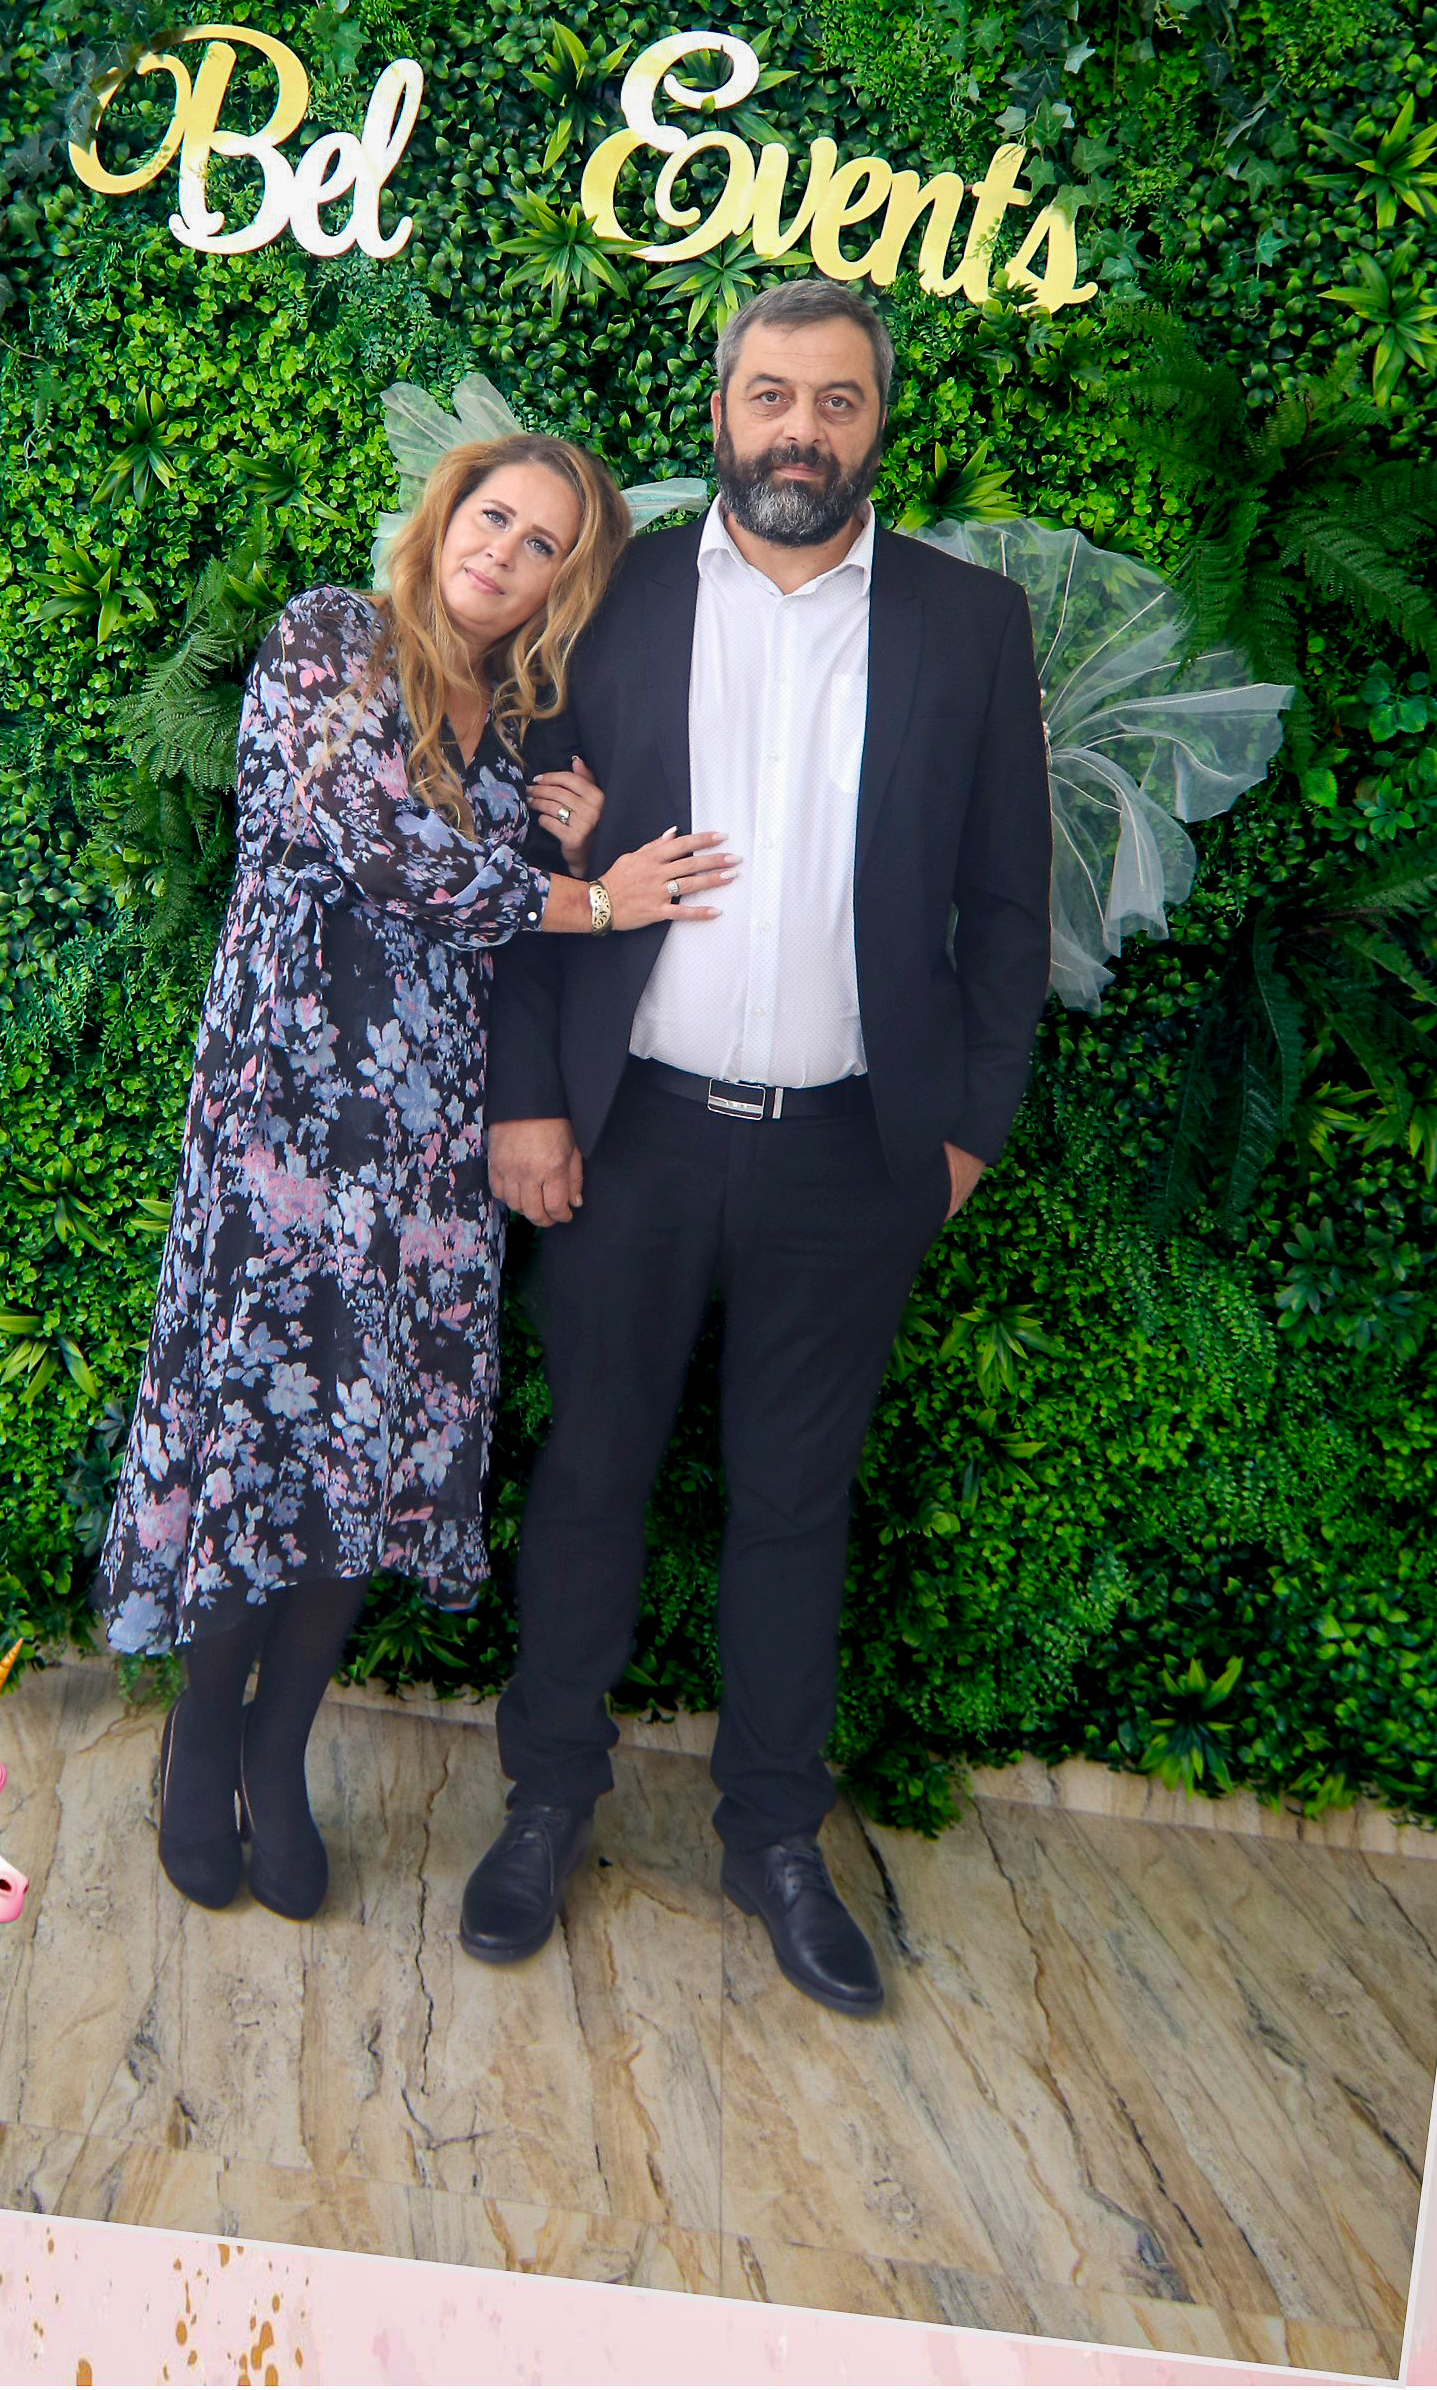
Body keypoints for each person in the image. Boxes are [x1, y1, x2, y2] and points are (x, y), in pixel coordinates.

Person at [463, 278, 1052, 2014]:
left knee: (797, 1505)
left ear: (879, 425)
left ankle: (776, 1836)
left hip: (851, 1154)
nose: (802, 428)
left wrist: (967, 1132)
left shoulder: (968, 623)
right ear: (722, 410)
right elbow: (521, 860)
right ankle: (545, 1801)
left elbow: (1011, 904)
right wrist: (526, 1097)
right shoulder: (615, 591)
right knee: (591, 1480)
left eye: (837, 401)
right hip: (629, 1134)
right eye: (772, 395)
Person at [94, 433, 736, 1923]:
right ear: (446, 514)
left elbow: (491, 922)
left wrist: (568, 833)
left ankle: (280, 1753)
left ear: (564, 584)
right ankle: (202, 1746)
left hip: (431, 1137)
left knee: (368, 1436)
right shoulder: (330, 637)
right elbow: (388, 851)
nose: (501, 552)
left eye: (541, 544)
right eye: (491, 517)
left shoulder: (516, 729)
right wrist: (591, 895)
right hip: (285, 1115)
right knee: (263, 1423)